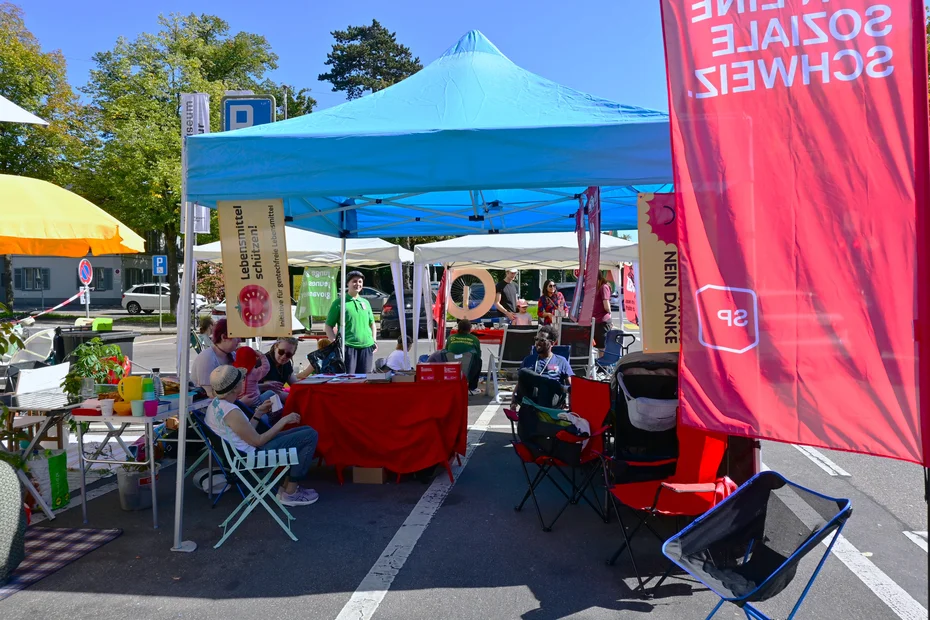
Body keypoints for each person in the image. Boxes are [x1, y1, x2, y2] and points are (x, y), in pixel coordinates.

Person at [206, 365, 319, 507]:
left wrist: (258, 413)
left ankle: (287, 487)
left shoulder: (217, 405)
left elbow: (246, 433)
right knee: (309, 435)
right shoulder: (231, 411)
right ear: (234, 388)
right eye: (242, 380)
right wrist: (284, 421)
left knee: (306, 431)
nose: (244, 382)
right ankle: (290, 492)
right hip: (251, 456)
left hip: (244, 452)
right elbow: (258, 441)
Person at [191, 319, 272, 422]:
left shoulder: (231, 354)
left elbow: (238, 384)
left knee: (270, 394)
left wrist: (263, 386)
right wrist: (240, 403)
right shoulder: (207, 358)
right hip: (217, 411)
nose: (239, 341)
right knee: (264, 418)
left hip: (233, 401)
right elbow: (211, 394)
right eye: (237, 337)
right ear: (224, 337)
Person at [325, 270, 377, 373]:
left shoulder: (365, 302)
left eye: (360, 282)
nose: (357, 284)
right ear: (347, 283)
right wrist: (335, 343)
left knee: (364, 380)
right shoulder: (339, 302)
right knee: (349, 379)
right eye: (354, 281)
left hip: (367, 347)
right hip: (348, 347)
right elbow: (328, 325)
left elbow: (372, 323)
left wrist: (374, 340)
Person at [445, 319, 482, 393]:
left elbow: (446, 351)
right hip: (468, 366)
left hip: (452, 365)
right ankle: (472, 387)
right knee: (479, 361)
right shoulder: (474, 339)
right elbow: (478, 355)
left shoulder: (450, 338)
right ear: (469, 329)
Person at [592, 272, 613, 353]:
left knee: (602, 346)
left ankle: (602, 365)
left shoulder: (604, 287)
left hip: (603, 322)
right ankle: (600, 364)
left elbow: (606, 306)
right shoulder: (598, 287)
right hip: (598, 321)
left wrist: (610, 315)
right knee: (599, 346)